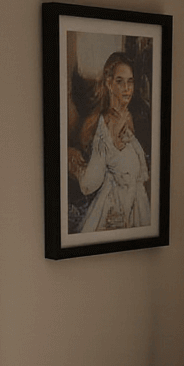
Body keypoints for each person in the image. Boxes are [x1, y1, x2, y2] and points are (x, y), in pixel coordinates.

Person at [68, 50, 150, 232]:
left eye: (130, 81)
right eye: (120, 82)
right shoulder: (105, 125)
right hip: (114, 212)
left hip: (137, 208)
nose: (127, 88)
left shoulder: (129, 118)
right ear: (109, 83)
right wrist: (75, 166)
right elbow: (90, 183)